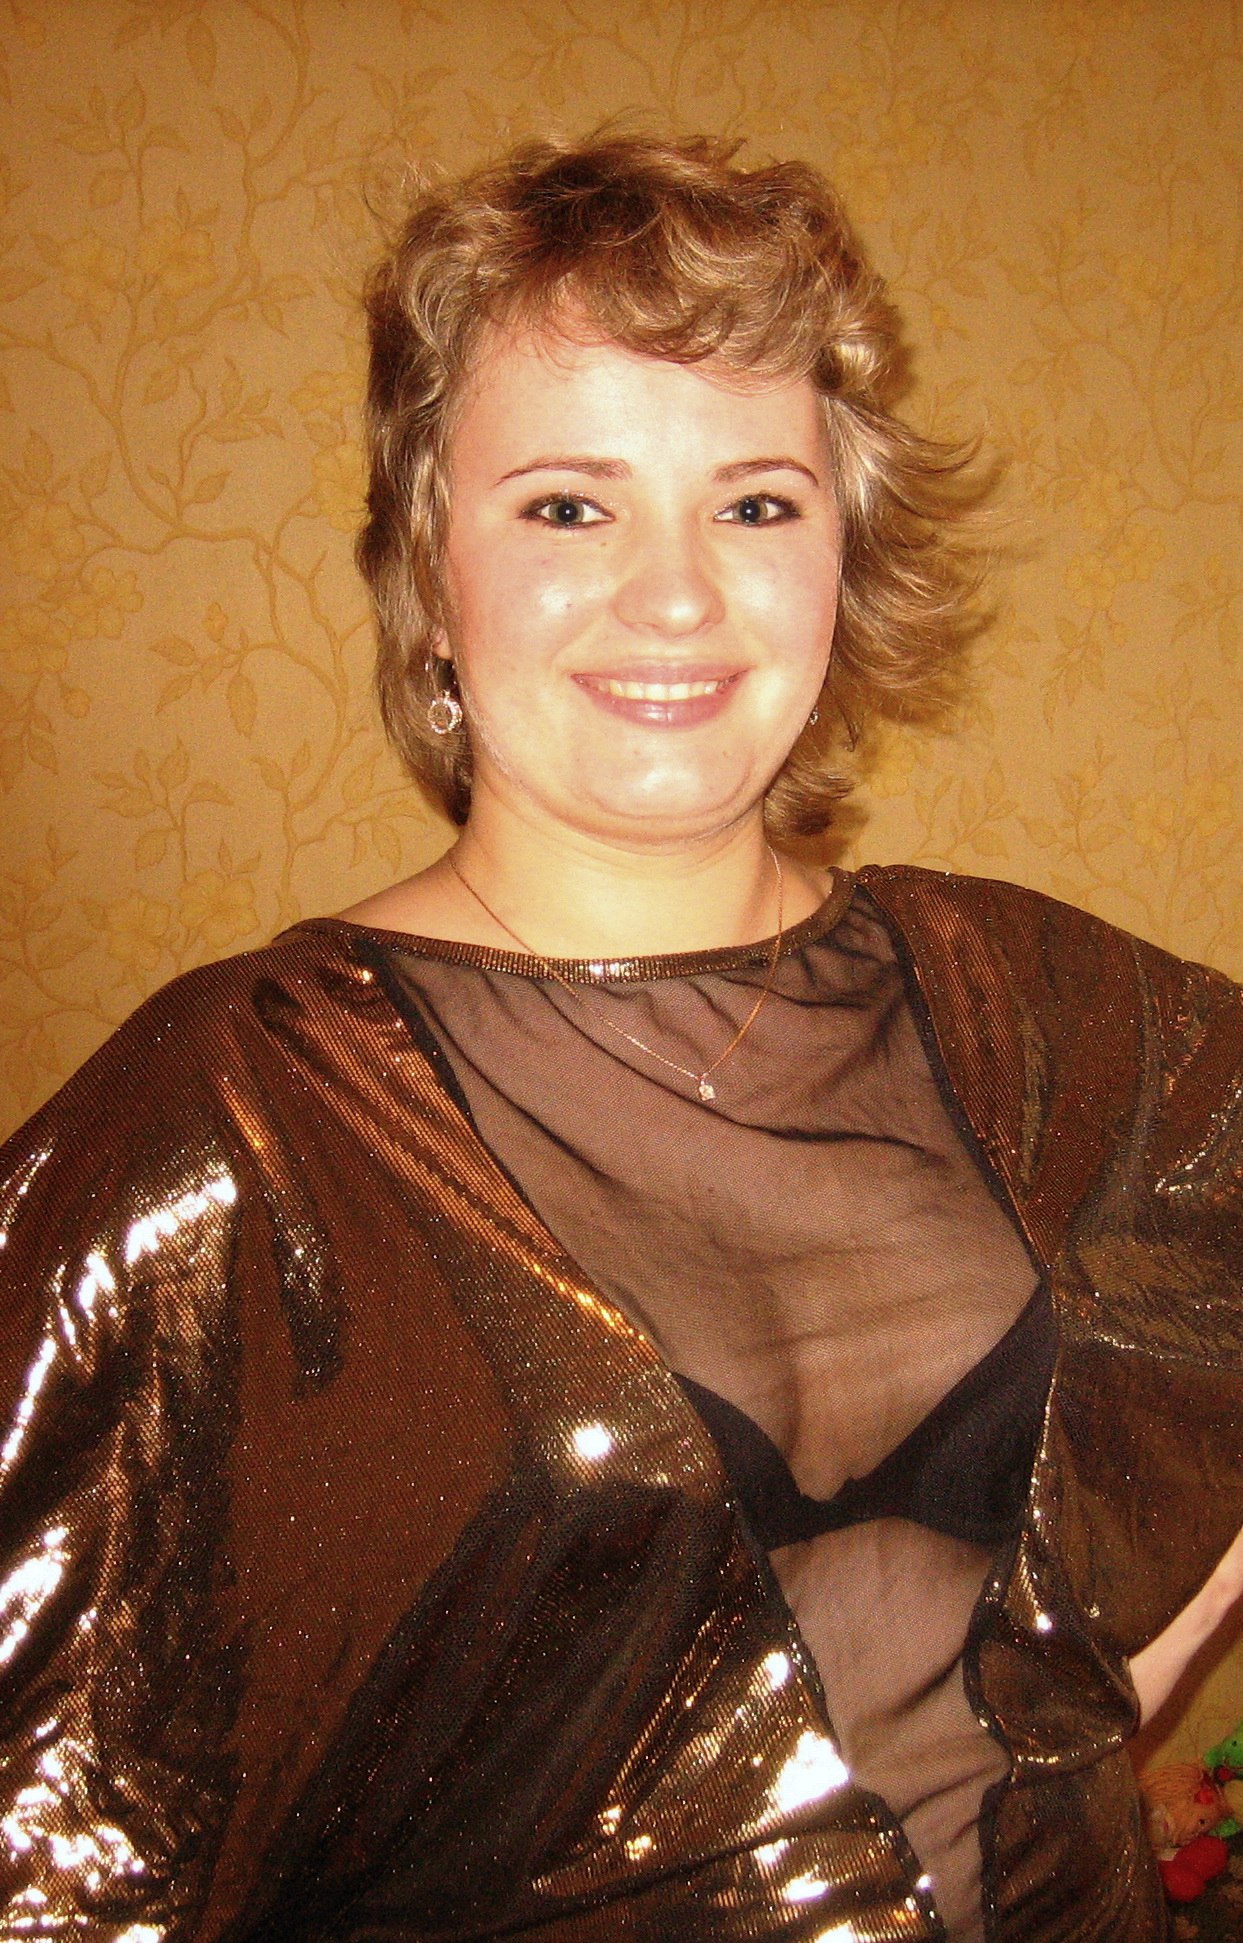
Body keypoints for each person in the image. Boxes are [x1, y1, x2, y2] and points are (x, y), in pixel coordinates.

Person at [0, 132, 1239, 1943]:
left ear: (845, 553)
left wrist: (1100, 1701)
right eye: (569, 508)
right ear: (429, 569)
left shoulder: (1024, 998)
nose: (676, 598)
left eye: (757, 505)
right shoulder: (235, 1113)